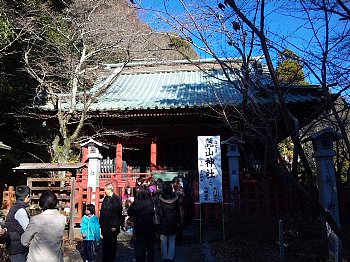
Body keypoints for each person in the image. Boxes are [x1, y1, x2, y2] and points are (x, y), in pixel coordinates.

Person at [21, 191, 66, 262]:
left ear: (41, 203)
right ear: (55, 202)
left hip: (37, 258)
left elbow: (24, 240)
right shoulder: (62, 218)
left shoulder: (36, 220)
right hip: (55, 258)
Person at [127, 184, 155, 262]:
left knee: (140, 247)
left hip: (139, 227)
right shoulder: (152, 202)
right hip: (150, 227)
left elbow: (129, 212)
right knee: (150, 248)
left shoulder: (136, 203)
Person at [5, 185, 31, 262]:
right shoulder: (20, 211)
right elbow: (28, 230)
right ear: (27, 197)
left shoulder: (14, 208)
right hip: (19, 249)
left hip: (14, 247)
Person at [99, 183, 123, 262]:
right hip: (105, 225)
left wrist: (116, 225)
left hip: (113, 225)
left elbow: (119, 213)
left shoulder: (116, 199)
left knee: (112, 245)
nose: (104, 191)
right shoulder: (106, 198)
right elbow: (102, 211)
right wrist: (101, 223)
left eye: (105, 189)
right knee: (105, 244)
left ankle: (111, 259)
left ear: (109, 190)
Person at [158, 182, 181, 262]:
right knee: (172, 239)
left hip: (163, 222)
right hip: (173, 222)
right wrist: (179, 221)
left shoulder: (159, 199)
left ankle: (165, 257)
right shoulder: (176, 199)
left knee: (163, 240)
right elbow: (179, 212)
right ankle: (171, 257)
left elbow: (158, 212)